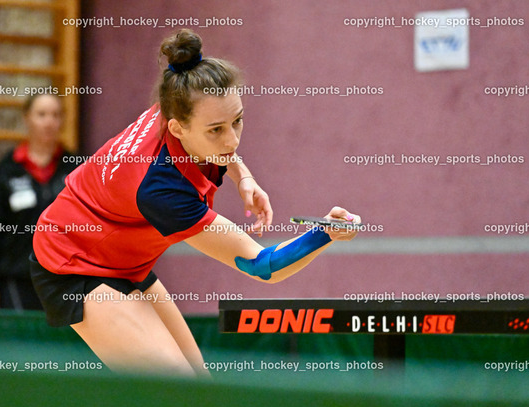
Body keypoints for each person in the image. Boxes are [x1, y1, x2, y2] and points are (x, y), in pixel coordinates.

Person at [30, 29, 361, 376]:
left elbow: (222, 147)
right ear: (177, 129)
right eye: (216, 129)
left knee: (199, 389)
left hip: (124, 260)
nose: (231, 139)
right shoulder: (163, 190)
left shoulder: (179, 98)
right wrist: (325, 234)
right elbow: (264, 267)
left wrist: (243, 176)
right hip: (73, 264)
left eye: (238, 121)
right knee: (177, 393)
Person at [0, 94, 77, 312]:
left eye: (55, 115)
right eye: (41, 115)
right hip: (16, 280)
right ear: (27, 119)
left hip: (63, 281)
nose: (49, 122)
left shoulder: (76, 170)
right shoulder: (5, 172)